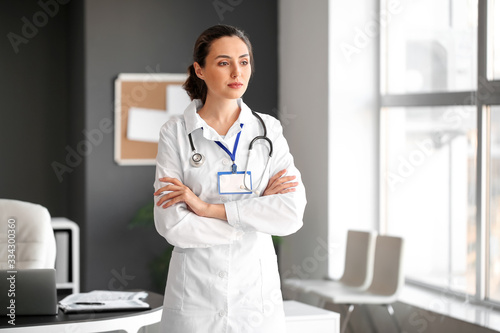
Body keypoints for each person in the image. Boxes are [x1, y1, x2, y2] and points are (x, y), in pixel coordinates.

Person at [153, 24, 306, 333]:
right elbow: (172, 224)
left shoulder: (269, 130)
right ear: (200, 69)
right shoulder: (175, 133)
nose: (237, 72)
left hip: (254, 298)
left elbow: (290, 214)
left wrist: (207, 209)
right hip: (196, 297)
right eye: (224, 62)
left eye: (244, 61)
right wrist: (253, 215)